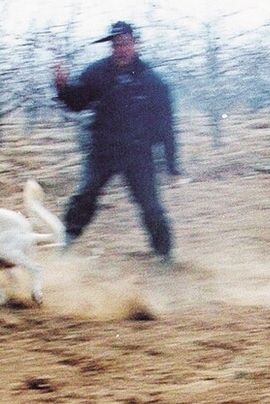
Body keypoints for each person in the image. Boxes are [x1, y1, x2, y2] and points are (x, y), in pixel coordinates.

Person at [54, 21, 178, 263]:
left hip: (138, 154)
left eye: (126, 43)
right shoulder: (96, 73)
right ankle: (64, 244)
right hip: (103, 151)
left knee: (151, 206)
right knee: (85, 196)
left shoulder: (152, 81)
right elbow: (76, 103)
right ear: (111, 46)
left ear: (135, 44)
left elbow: (165, 125)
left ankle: (165, 256)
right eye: (116, 44)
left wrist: (171, 162)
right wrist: (62, 88)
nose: (121, 48)